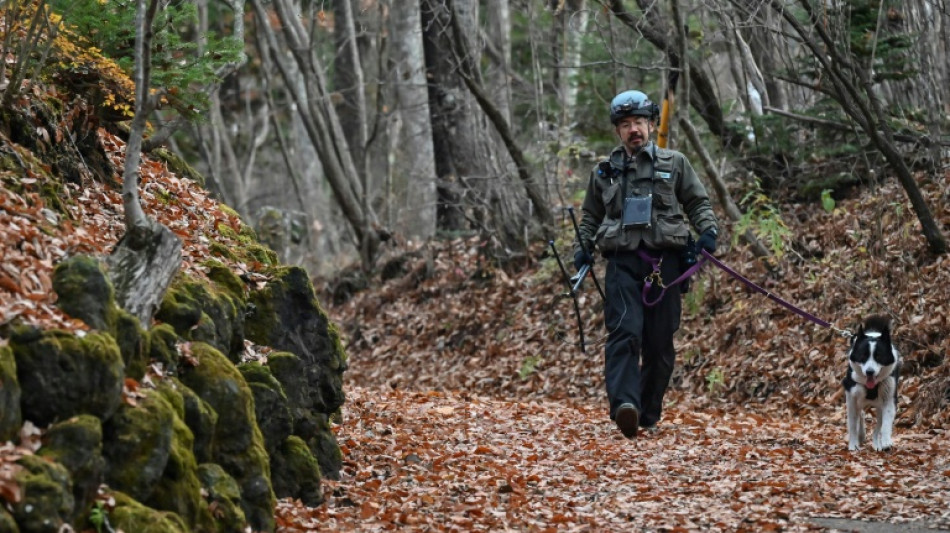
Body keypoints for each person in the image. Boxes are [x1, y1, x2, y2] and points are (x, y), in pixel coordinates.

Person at [573, 89, 720, 439]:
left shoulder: (675, 163)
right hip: (622, 263)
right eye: (625, 124)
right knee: (624, 331)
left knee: (659, 342)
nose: (633, 129)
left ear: (652, 124)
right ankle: (626, 405)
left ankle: (647, 412)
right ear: (618, 131)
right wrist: (582, 249)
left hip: (665, 265)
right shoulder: (604, 172)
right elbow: (590, 216)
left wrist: (708, 233)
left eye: (639, 122)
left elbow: (698, 202)